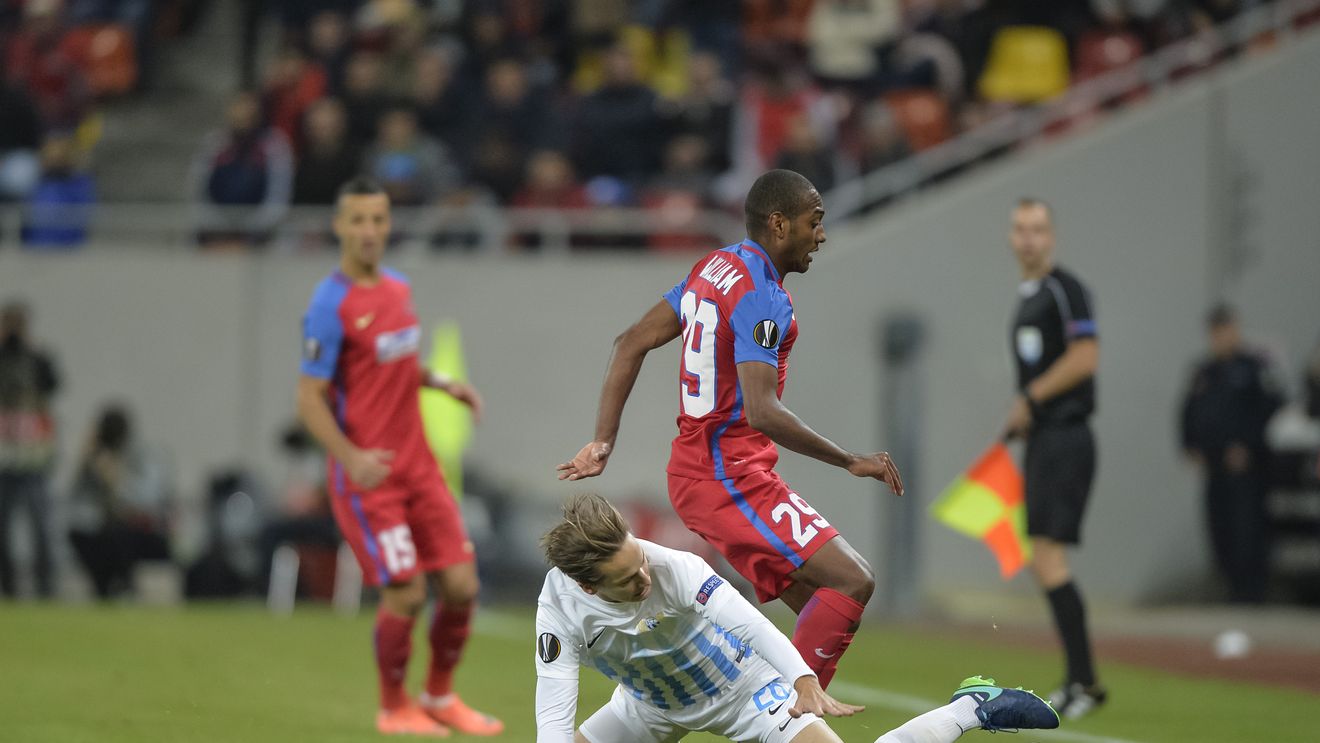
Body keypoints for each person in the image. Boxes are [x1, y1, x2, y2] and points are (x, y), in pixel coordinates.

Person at [559, 169, 904, 689]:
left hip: (702, 472)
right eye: (815, 221)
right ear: (779, 224)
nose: (821, 235)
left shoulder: (715, 266)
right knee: (853, 581)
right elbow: (762, 411)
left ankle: (762, 699)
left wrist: (603, 440)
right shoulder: (762, 296)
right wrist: (850, 459)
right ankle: (784, 717)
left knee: (825, 606)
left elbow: (629, 341)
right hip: (727, 477)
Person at [535, 493, 1059, 743]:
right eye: (628, 579)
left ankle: (970, 707)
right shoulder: (559, 612)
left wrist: (803, 678)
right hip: (649, 704)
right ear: (588, 586)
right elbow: (553, 717)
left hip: (744, 690)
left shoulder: (675, 567)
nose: (644, 576)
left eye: (641, 561)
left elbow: (748, 623)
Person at [296, 177, 502, 738]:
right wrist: (350, 457)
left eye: (378, 219)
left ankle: (439, 696)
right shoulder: (329, 305)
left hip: (420, 468)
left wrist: (442, 383)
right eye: (358, 220)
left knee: (460, 588)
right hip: (373, 478)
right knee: (407, 592)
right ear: (339, 226)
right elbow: (308, 398)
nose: (369, 231)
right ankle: (393, 707)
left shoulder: (397, 288)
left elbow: (397, 363)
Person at [1000, 198, 1105, 718]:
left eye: (1038, 229)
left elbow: (1086, 357)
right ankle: (1079, 680)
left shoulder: (1066, 290)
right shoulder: (1028, 299)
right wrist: (1025, 416)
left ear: (1052, 236)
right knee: (1043, 559)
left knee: (1048, 558)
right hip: (1044, 438)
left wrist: (1032, 399)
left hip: (1066, 436)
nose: (1029, 239)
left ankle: (1084, 681)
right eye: (1021, 229)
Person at [1179, 303, 1284, 604]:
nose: (1222, 337)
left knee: (1248, 529)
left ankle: (1253, 591)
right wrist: (1190, 445)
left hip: (1246, 467)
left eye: (1226, 329)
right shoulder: (1204, 371)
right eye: (1216, 332)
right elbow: (1187, 411)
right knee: (1219, 528)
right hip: (1214, 465)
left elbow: (1270, 410)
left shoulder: (1254, 368)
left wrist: (1248, 446)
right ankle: (1231, 587)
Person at [66, 404, 172, 600]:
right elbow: (77, 505)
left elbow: (147, 500)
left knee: (118, 535)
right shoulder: (97, 457)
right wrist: (88, 459)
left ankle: (125, 588)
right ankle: (103, 590)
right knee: (88, 535)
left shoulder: (140, 454)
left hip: (142, 530)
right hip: (104, 533)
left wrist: (116, 480)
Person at [0, 301, 60, 599]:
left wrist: (33, 350)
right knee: (3, 525)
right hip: (4, 456)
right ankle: (8, 585)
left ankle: (45, 586)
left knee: (41, 525)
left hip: (33, 456)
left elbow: (53, 385)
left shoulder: (37, 358)